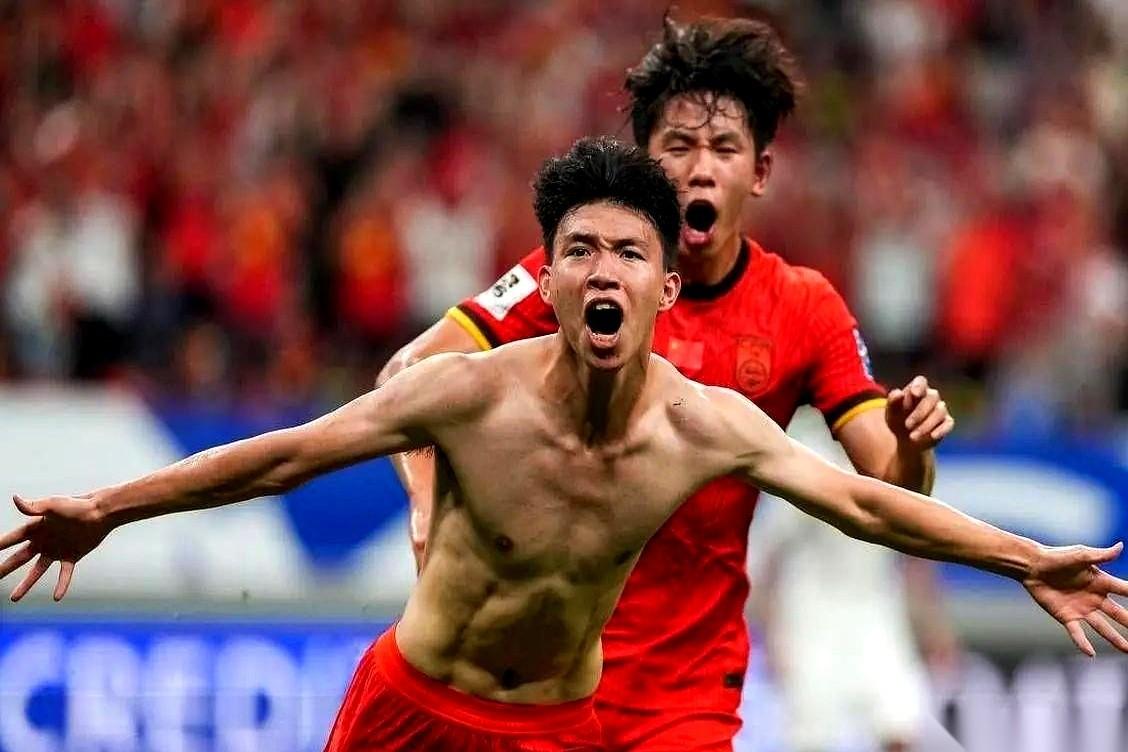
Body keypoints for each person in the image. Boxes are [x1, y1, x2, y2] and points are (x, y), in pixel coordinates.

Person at [3, 138, 1127, 752]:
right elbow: (284, 453)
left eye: (629, 253)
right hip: (412, 710)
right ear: (548, 279)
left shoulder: (700, 426)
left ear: (664, 287)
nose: (603, 270)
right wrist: (107, 507)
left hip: (556, 729)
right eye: (579, 249)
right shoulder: (470, 394)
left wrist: (1027, 558)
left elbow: (872, 504)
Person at [379, 16, 956, 751]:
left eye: (724, 149)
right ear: (646, 163)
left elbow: (892, 487)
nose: (699, 169)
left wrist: (913, 447)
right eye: (678, 147)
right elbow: (407, 373)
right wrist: (424, 504)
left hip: (684, 701)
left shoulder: (803, 310)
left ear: (760, 171)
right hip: (536, 679)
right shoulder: (579, 275)